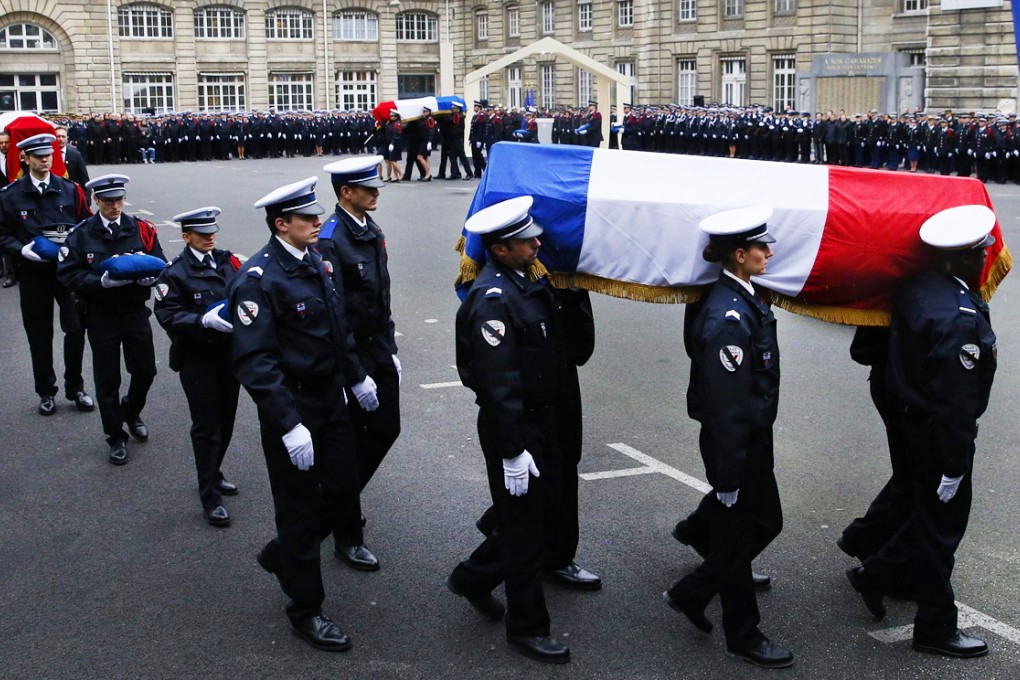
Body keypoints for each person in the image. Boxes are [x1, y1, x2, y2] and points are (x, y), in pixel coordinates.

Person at [844, 205, 997, 659]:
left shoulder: (915, 289)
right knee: (942, 530)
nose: (985, 261)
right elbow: (956, 401)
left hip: (910, 419)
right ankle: (934, 627)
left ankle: (877, 574)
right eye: (979, 255)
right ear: (964, 260)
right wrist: (955, 463)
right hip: (937, 433)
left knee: (926, 514)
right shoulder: (958, 316)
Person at [230, 176, 371, 652]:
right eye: (308, 218)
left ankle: (283, 556)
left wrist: (356, 376)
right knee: (298, 508)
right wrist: (288, 424)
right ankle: (305, 608)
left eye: (316, 215)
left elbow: (337, 326)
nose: (317, 222)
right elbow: (256, 362)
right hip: (293, 405)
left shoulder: (317, 261)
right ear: (281, 224)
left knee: (345, 486)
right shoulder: (258, 280)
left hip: (331, 399)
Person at [447, 196, 578, 665]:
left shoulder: (524, 283)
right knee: (525, 532)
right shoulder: (493, 301)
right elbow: (497, 383)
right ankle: (526, 627)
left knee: (538, 517)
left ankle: (473, 577)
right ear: (501, 250)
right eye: (526, 241)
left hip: (540, 420)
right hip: (516, 426)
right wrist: (512, 450)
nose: (537, 243)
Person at [663, 206, 793, 669]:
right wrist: (727, 473)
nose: (769, 252)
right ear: (739, 255)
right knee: (742, 533)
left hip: (751, 439)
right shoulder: (729, 317)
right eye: (761, 247)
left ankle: (693, 590)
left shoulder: (741, 298)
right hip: (737, 444)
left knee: (763, 522)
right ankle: (743, 635)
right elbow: (725, 406)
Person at [316, 156, 397, 572]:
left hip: (376, 347)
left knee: (386, 429)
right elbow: (335, 314)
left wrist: (390, 345)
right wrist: (355, 374)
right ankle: (345, 530)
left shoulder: (369, 229)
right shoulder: (331, 240)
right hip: (350, 355)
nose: (376, 191)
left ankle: (328, 506)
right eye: (368, 187)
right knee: (348, 445)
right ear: (346, 193)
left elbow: (380, 295)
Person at [56, 173, 165, 465]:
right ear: (96, 200)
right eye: (107, 201)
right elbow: (68, 275)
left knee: (145, 372)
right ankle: (115, 435)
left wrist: (148, 281)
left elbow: (160, 262)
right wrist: (100, 283)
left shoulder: (141, 230)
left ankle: (130, 411)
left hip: (133, 312)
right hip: (100, 315)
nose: (115, 206)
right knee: (107, 381)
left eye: (119, 199)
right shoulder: (81, 234)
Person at [153, 207, 242, 527]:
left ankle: (214, 471)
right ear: (186, 236)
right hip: (197, 359)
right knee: (206, 427)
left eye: (212, 232)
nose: (209, 237)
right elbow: (167, 314)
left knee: (226, 421)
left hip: (229, 356)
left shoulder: (227, 262)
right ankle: (210, 496)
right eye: (202, 234)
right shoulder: (175, 272)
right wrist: (201, 320)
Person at [0, 133, 93, 414]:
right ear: (25, 159)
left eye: (48, 154)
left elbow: (85, 224)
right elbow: (2, 233)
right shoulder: (10, 195)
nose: (44, 159)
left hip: (67, 272)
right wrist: (20, 249)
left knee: (75, 329)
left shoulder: (70, 190)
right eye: (38, 155)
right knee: (39, 334)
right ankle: (45, 391)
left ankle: (75, 387)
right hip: (33, 273)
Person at [55, 125, 91, 202]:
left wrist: (87, 199)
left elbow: (84, 178)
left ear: (67, 138)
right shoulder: (49, 155)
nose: (60, 139)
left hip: (73, 196)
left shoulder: (75, 155)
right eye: (58, 136)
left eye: (63, 136)